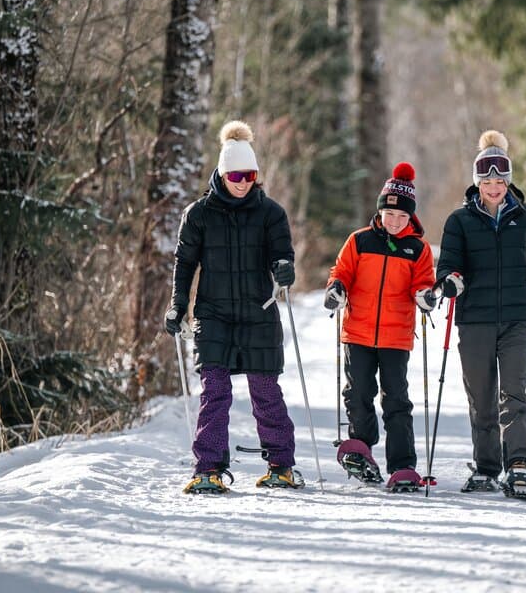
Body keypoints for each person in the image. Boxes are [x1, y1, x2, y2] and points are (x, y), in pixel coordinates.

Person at [435, 130, 526, 500]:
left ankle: (519, 466)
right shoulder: (459, 222)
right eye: (487, 181)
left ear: (508, 181)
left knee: (513, 394)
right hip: (475, 321)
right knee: (481, 398)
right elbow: (448, 267)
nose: (494, 187)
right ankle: (486, 468)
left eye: (500, 181)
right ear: (477, 182)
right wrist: (450, 282)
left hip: (516, 319)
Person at [165, 120, 303, 494]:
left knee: (265, 392)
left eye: (250, 175)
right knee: (215, 391)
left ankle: (281, 465)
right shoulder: (198, 214)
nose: (243, 182)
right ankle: (207, 467)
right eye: (236, 175)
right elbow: (185, 262)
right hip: (214, 314)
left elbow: (281, 253)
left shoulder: (270, 213)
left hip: (258, 312)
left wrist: (284, 268)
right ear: (223, 173)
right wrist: (178, 305)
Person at [324, 163, 437, 492]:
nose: (395, 221)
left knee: (396, 400)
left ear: (411, 218)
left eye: (402, 217)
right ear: (380, 210)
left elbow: (423, 284)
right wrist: (336, 289)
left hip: (395, 336)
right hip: (357, 331)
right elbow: (341, 272)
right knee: (358, 393)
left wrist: (425, 297)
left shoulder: (418, 249)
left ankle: (402, 464)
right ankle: (361, 448)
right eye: (390, 214)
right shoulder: (358, 241)